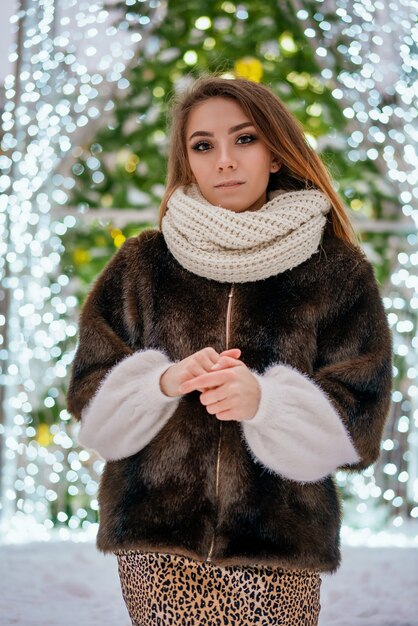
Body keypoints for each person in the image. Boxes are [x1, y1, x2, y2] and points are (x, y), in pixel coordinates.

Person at [67, 75, 392, 626]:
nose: (223, 161)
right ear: (187, 160)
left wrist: (265, 402)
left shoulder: (338, 273)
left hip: (279, 548)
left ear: (275, 152)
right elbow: (87, 394)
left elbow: (359, 420)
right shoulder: (143, 265)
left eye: (244, 139)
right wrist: (160, 383)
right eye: (203, 145)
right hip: (158, 545)